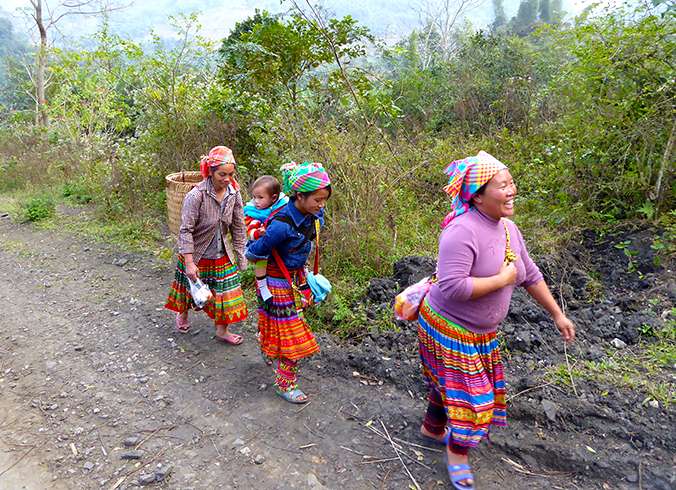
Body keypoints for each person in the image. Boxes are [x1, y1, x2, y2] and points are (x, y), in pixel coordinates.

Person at [417, 151, 575, 490]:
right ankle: (457, 454)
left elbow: (529, 274)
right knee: (476, 401)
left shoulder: (508, 229)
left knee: (451, 384)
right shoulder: (461, 232)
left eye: (512, 183)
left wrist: (557, 313)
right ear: (477, 195)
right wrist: (503, 280)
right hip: (448, 327)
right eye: (502, 185)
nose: (512, 190)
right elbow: (454, 286)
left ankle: (432, 428)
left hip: (480, 333)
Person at [245, 161, 331, 404]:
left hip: (295, 278)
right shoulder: (281, 226)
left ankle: (266, 345)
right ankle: (285, 383)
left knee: (279, 325)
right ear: (300, 196)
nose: (321, 205)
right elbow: (254, 252)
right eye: (317, 200)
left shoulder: (313, 215)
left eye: (324, 199)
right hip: (276, 282)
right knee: (293, 334)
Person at [165, 146, 248, 345]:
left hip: (222, 253)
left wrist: (241, 255)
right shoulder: (196, 196)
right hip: (197, 252)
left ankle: (222, 331)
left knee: (226, 293)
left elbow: (238, 226)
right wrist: (189, 262)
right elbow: (185, 231)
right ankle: (183, 314)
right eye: (222, 174)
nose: (227, 179)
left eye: (230, 174)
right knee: (189, 288)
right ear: (210, 172)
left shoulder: (233, 194)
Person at [243, 175, 289, 302]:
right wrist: (259, 232)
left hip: (277, 244)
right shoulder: (252, 212)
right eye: (254, 197)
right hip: (259, 243)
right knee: (261, 260)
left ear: (274, 198)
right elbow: (250, 232)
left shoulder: (281, 206)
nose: (256, 201)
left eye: (260, 197)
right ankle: (262, 287)